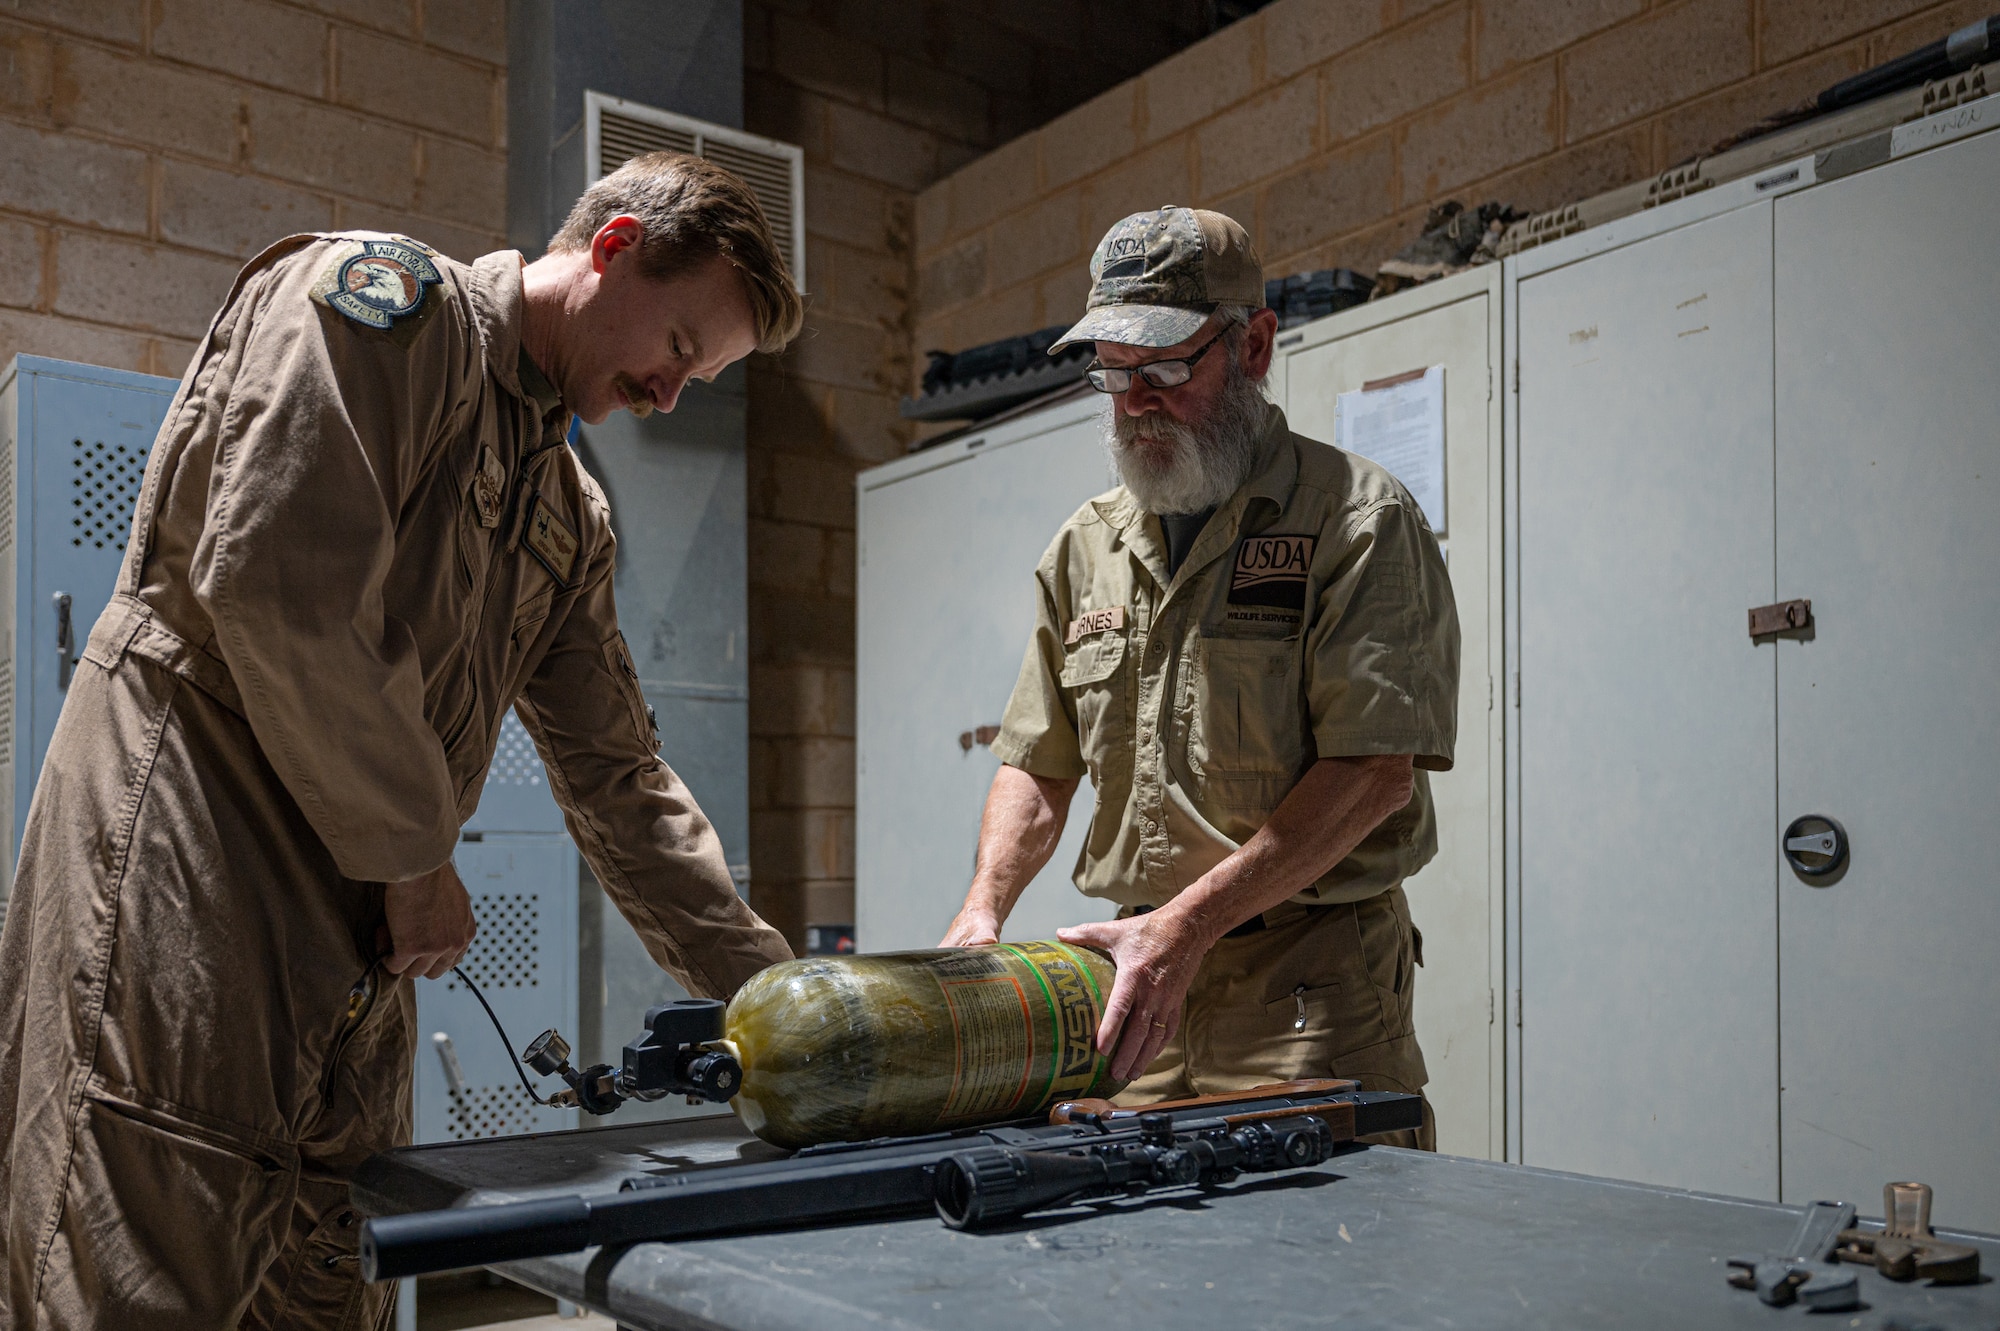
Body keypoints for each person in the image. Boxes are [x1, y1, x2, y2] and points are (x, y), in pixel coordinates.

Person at [0, 151, 803, 1330]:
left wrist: (783, 1001)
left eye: (701, 376)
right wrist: (419, 856)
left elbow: (617, 777)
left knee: (331, 1279)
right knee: (139, 1270)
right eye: (679, 348)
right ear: (616, 246)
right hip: (194, 869)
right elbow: (276, 583)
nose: (670, 393)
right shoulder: (382, 314)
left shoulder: (564, 510)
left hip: (357, 948)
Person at [941, 207, 1458, 1148]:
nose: (1135, 400)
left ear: (1254, 345)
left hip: (1309, 996)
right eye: (1113, 372)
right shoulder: (1083, 547)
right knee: (1145, 1274)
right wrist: (983, 909)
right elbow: (1037, 763)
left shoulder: (1358, 522)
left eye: (1167, 369)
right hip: (1134, 990)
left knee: (1319, 1272)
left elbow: (1374, 775)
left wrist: (1184, 927)